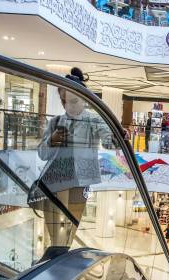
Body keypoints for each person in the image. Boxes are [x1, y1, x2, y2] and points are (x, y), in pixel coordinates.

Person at [37, 67, 111, 248]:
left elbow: (110, 142)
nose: (67, 105)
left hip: (80, 180)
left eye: (72, 100)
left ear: (83, 99)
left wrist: (120, 135)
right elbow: (42, 153)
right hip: (55, 179)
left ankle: (58, 259)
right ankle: (55, 259)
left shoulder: (93, 120)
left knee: (69, 228)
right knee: (57, 232)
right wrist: (52, 141)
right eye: (64, 101)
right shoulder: (55, 122)